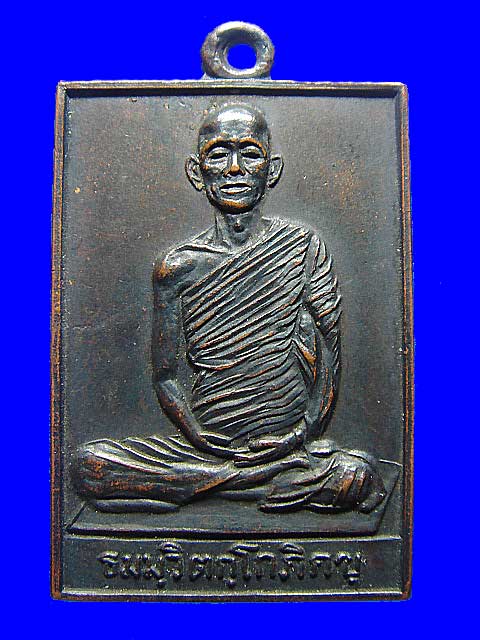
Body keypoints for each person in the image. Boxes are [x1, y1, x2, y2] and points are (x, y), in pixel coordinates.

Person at [73, 102, 386, 514]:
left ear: (271, 170)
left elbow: (329, 352)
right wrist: (196, 434)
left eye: (250, 153)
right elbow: (166, 376)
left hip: (290, 438)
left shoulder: (303, 247)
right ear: (196, 172)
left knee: (358, 473)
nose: (234, 169)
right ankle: (257, 481)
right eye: (219, 154)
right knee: (89, 466)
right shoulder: (177, 267)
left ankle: (213, 484)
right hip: (206, 444)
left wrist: (301, 432)